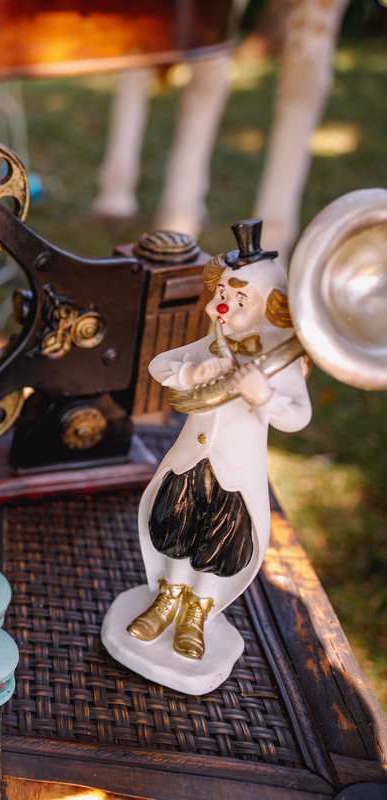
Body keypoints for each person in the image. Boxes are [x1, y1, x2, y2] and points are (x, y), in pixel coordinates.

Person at [126, 220, 311, 659]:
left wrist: (264, 397)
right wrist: (191, 373)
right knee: (174, 526)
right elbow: (158, 366)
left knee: (221, 542)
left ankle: (198, 610)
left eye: (238, 299)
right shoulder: (210, 347)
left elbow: (297, 417)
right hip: (189, 463)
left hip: (234, 474)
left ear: (271, 308)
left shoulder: (277, 362)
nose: (221, 308)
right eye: (221, 296)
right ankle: (167, 596)